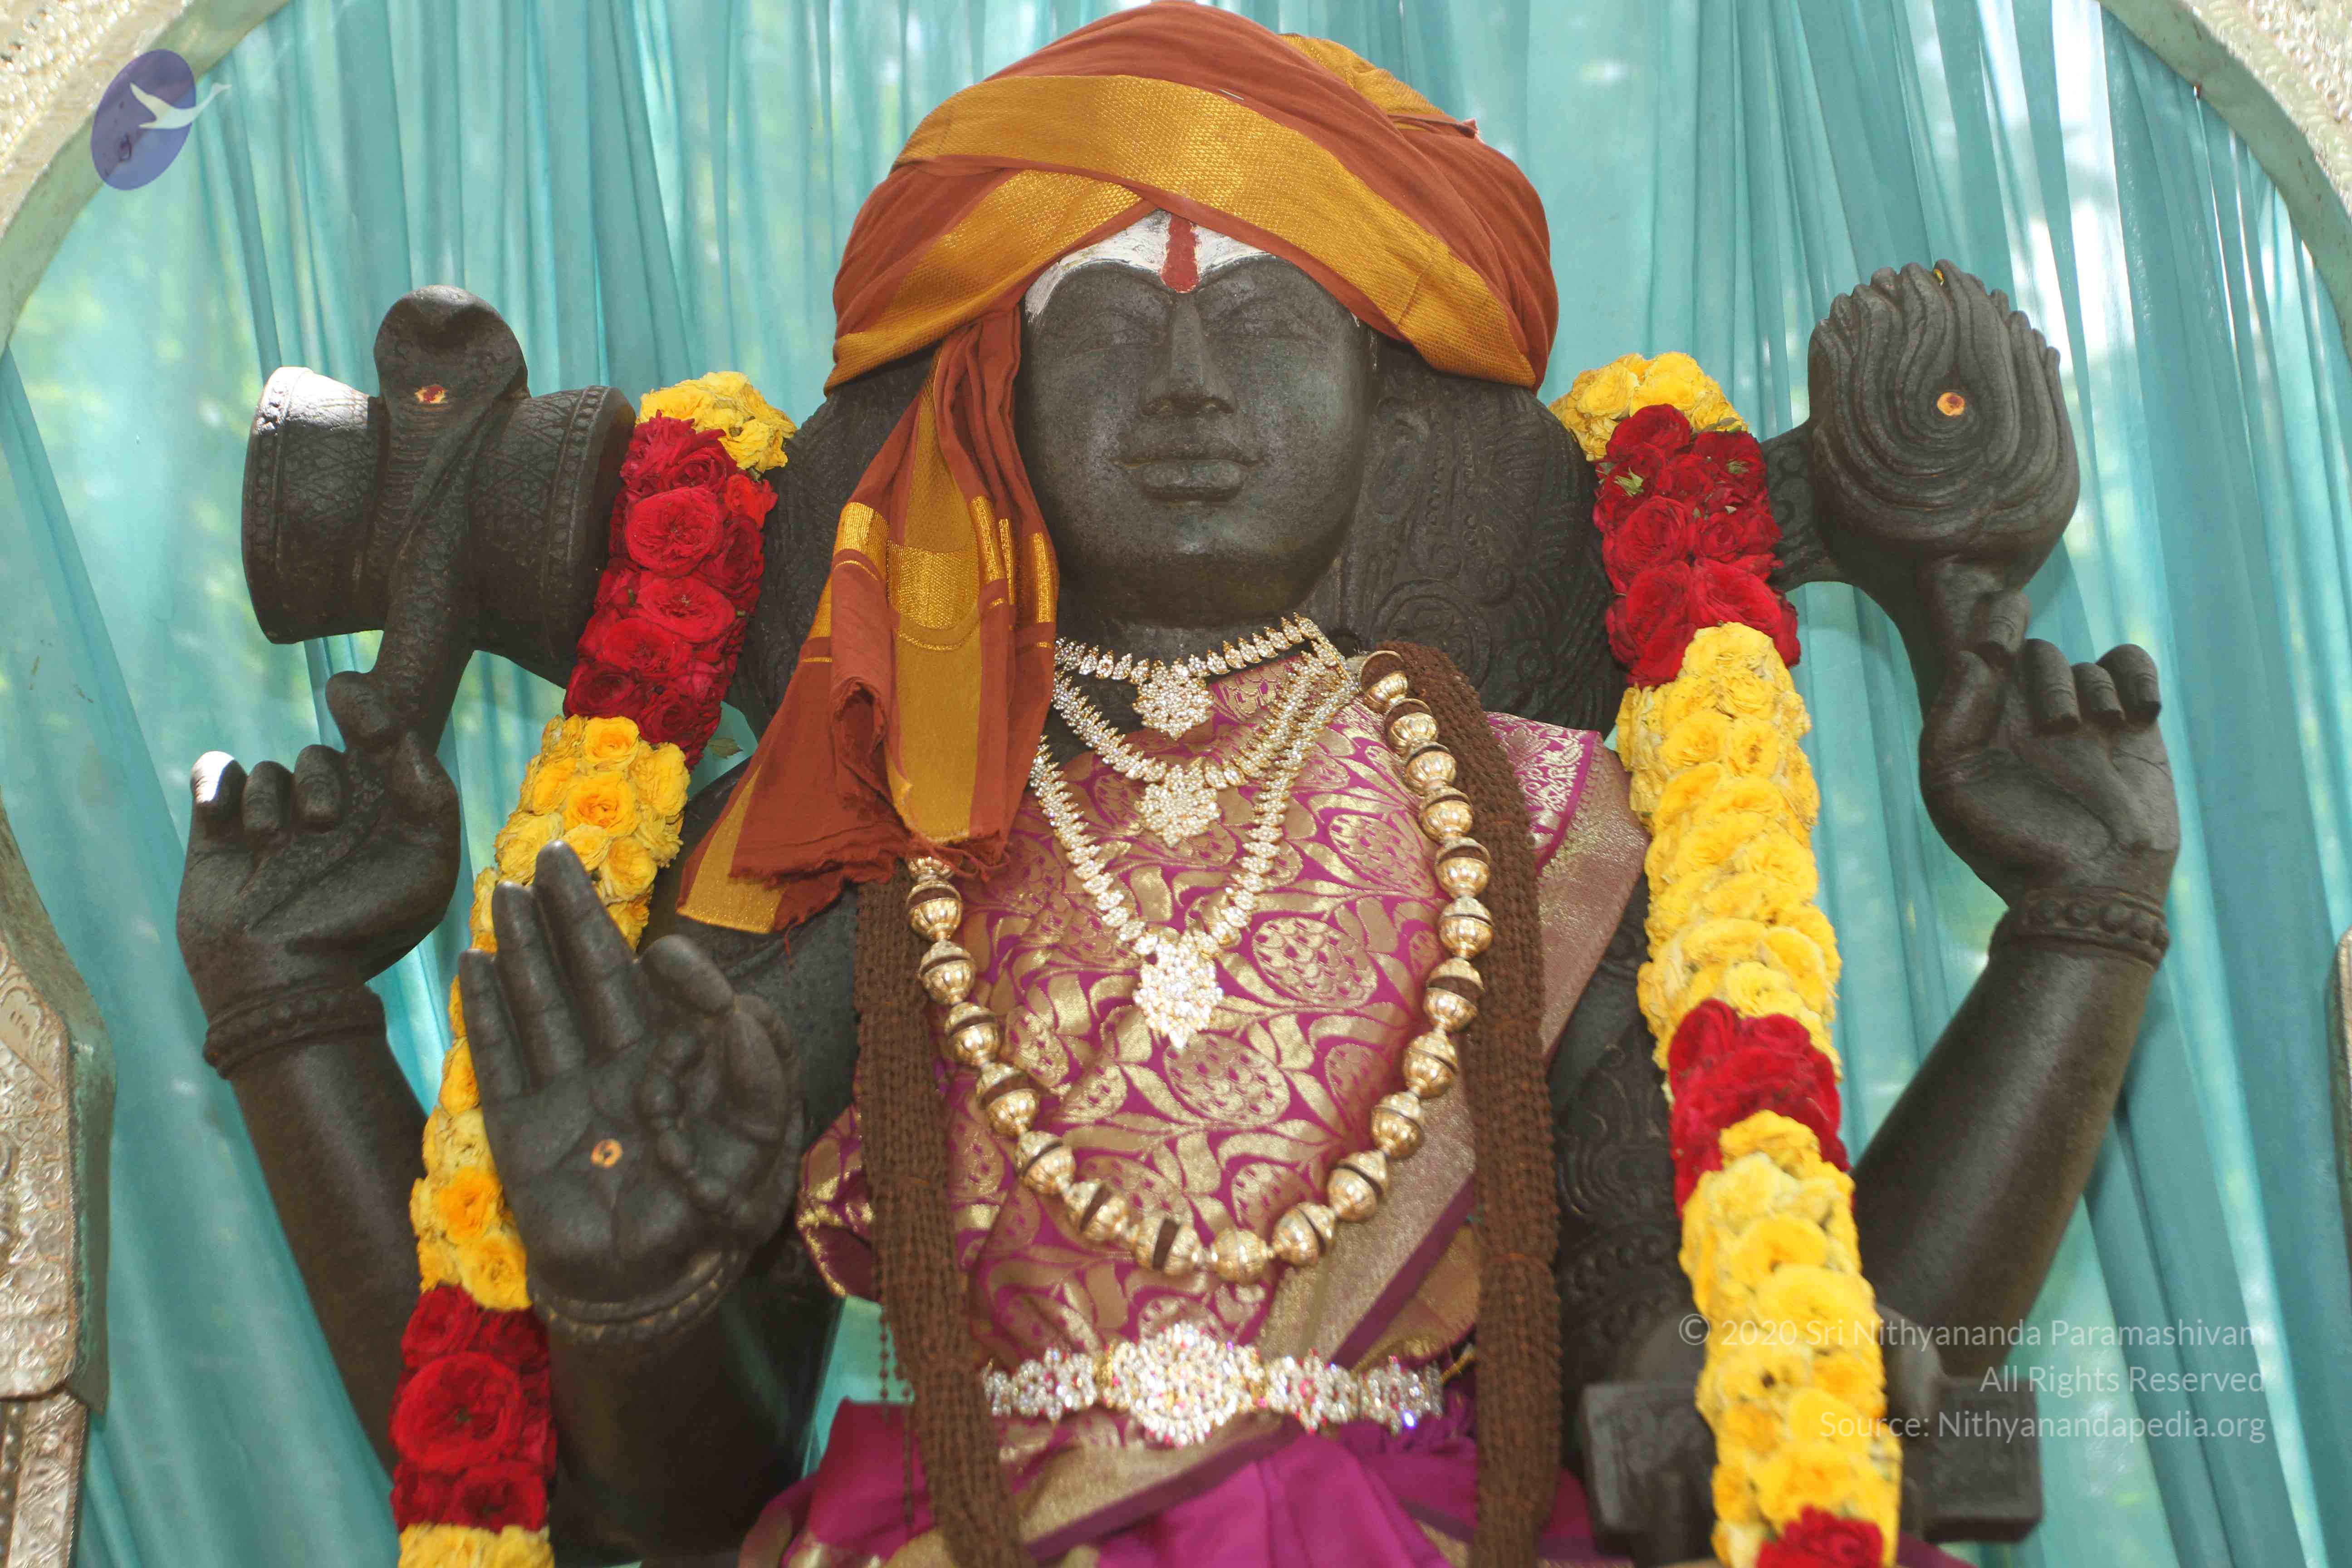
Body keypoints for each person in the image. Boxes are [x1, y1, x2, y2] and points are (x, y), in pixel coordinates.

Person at [175, 7, 2179, 1565]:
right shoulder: (857, 807)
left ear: (1393, 415)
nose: (1194, 393)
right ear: (986, 406)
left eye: (1268, 328)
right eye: (1113, 328)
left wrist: (2076, 935)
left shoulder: (1541, 817)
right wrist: (636, 1294)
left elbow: (1739, 1374)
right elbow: (660, 1508)